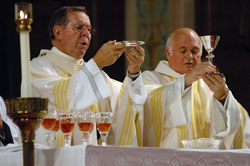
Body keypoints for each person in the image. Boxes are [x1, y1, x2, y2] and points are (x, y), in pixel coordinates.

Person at [26, 6, 147, 147]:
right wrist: (97, 63)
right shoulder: (38, 69)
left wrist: (133, 71)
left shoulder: (92, 72)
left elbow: (125, 103)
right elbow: (66, 96)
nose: (86, 34)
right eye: (79, 27)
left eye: (89, 30)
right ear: (58, 32)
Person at [142, 27, 248, 149]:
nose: (190, 56)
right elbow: (147, 106)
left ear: (201, 53)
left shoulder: (208, 84)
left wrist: (222, 96)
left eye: (195, 51)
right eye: (183, 51)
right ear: (168, 53)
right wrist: (186, 80)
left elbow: (240, 120)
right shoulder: (150, 79)